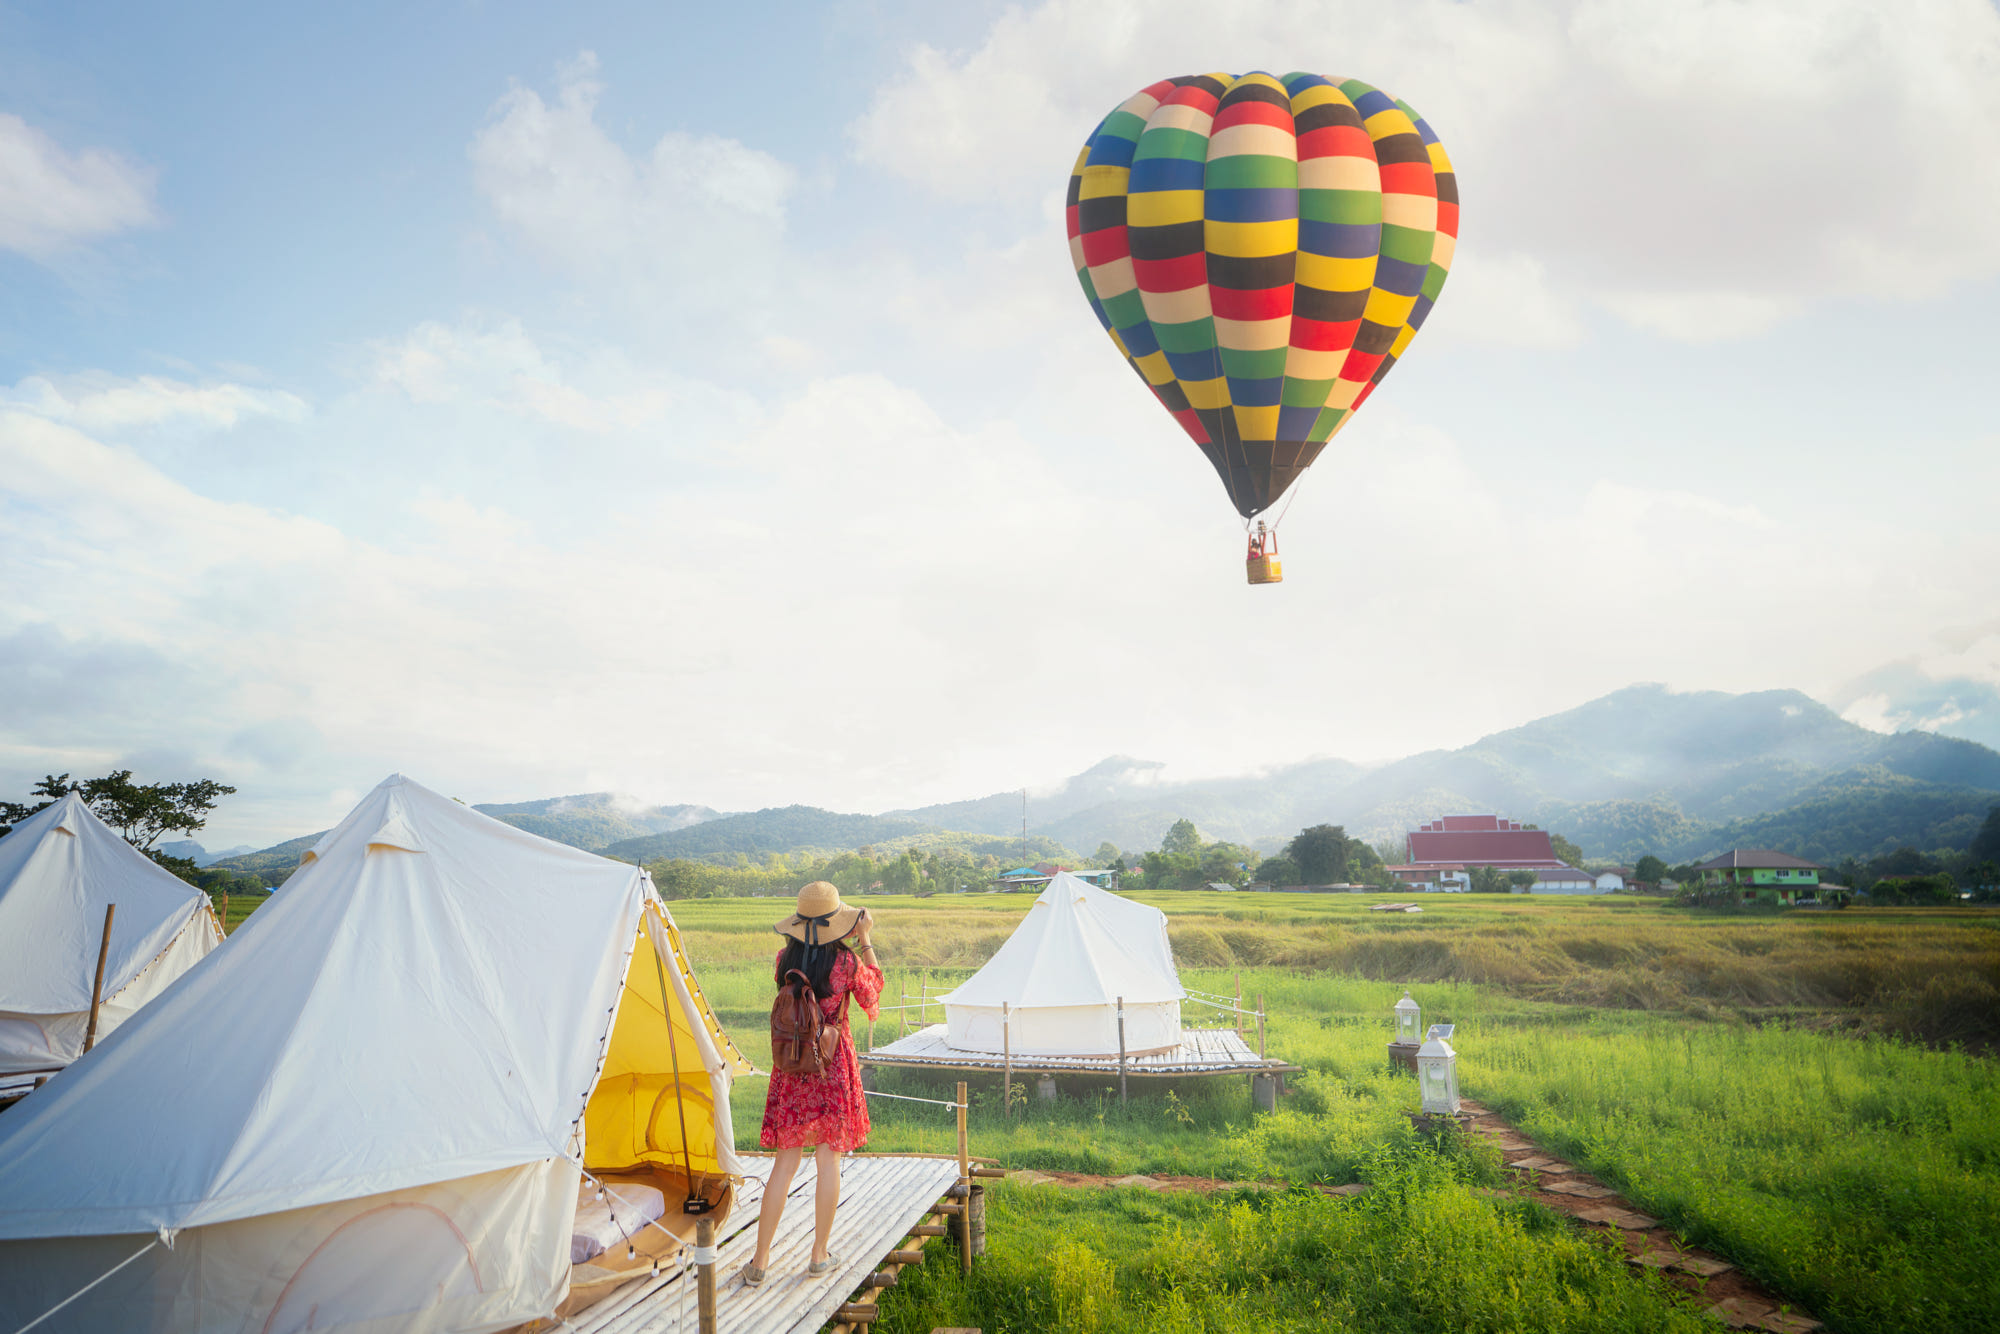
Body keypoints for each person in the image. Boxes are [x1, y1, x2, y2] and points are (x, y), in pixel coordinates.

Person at [741, 881, 882, 1286]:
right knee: (828, 1161)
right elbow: (872, 1000)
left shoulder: (785, 958)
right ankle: (819, 1255)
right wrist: (866, 938)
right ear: (836, 923)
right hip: (832, 1066)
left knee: (784, 1165)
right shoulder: (846, 963)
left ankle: (759, 1260)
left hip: (794, 1066)